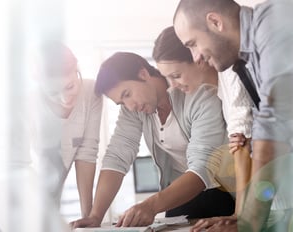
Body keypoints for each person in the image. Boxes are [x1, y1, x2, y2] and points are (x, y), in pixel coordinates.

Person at [173, 0, 293, 231]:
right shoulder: (249, 63)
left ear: (215, 22)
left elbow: (277, 120)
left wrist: (251, 220)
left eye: (193, 44)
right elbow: (272, 146)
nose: (195, 57)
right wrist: (246, 215)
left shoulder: (277, 18)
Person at [70, 52, 235, 228]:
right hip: (179, 196)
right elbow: (117, 157)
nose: (130, 106)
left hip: (223, 192)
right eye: (121, 102)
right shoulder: (134, 110)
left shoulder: (199, 96)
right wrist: (96, 216)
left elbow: (203, 167)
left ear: (143, 74)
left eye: (127, 94)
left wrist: (150, 205)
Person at [152, 25, 253, 216]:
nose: (172, 86)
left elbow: (244, 151)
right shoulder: (219, 92)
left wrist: (240, 217)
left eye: (176, 75)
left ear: (196, 57)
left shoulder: (231, 76)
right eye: (167, 79)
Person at [31, 40, 103, 217]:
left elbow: (87, 152)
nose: (64, 99)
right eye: (53, 93)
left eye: (69, 87)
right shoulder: (27, 106)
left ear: (77, 67)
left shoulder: (91, 92)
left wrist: (88, 218)